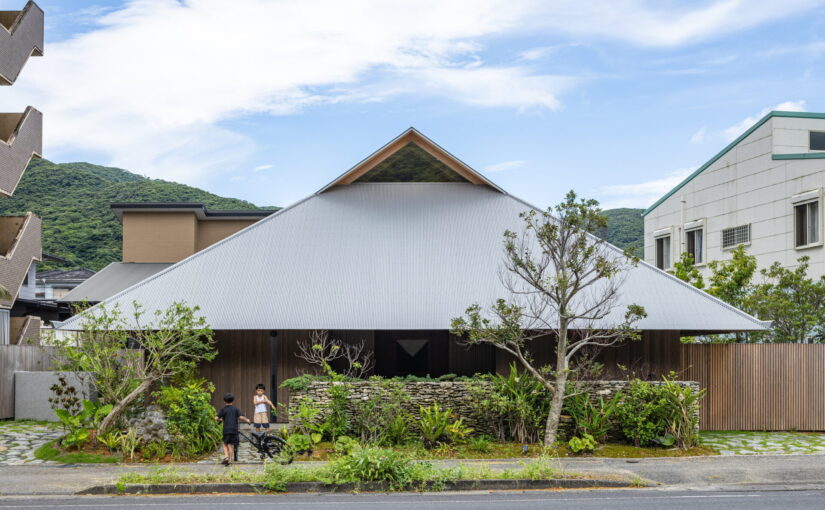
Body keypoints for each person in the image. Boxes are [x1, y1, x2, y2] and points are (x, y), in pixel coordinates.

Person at [215, 393, 251, 466]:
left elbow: (216, 418)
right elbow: (241, 417)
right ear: (233, 401)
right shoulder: (236, 409)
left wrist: (221, 420)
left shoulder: (223, 410)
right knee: (230, 444)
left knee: (225, 444)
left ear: (224, 401)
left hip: (226, 429)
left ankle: (226, 457)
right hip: (234, 429)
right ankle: (230, 460)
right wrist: (247, 420)